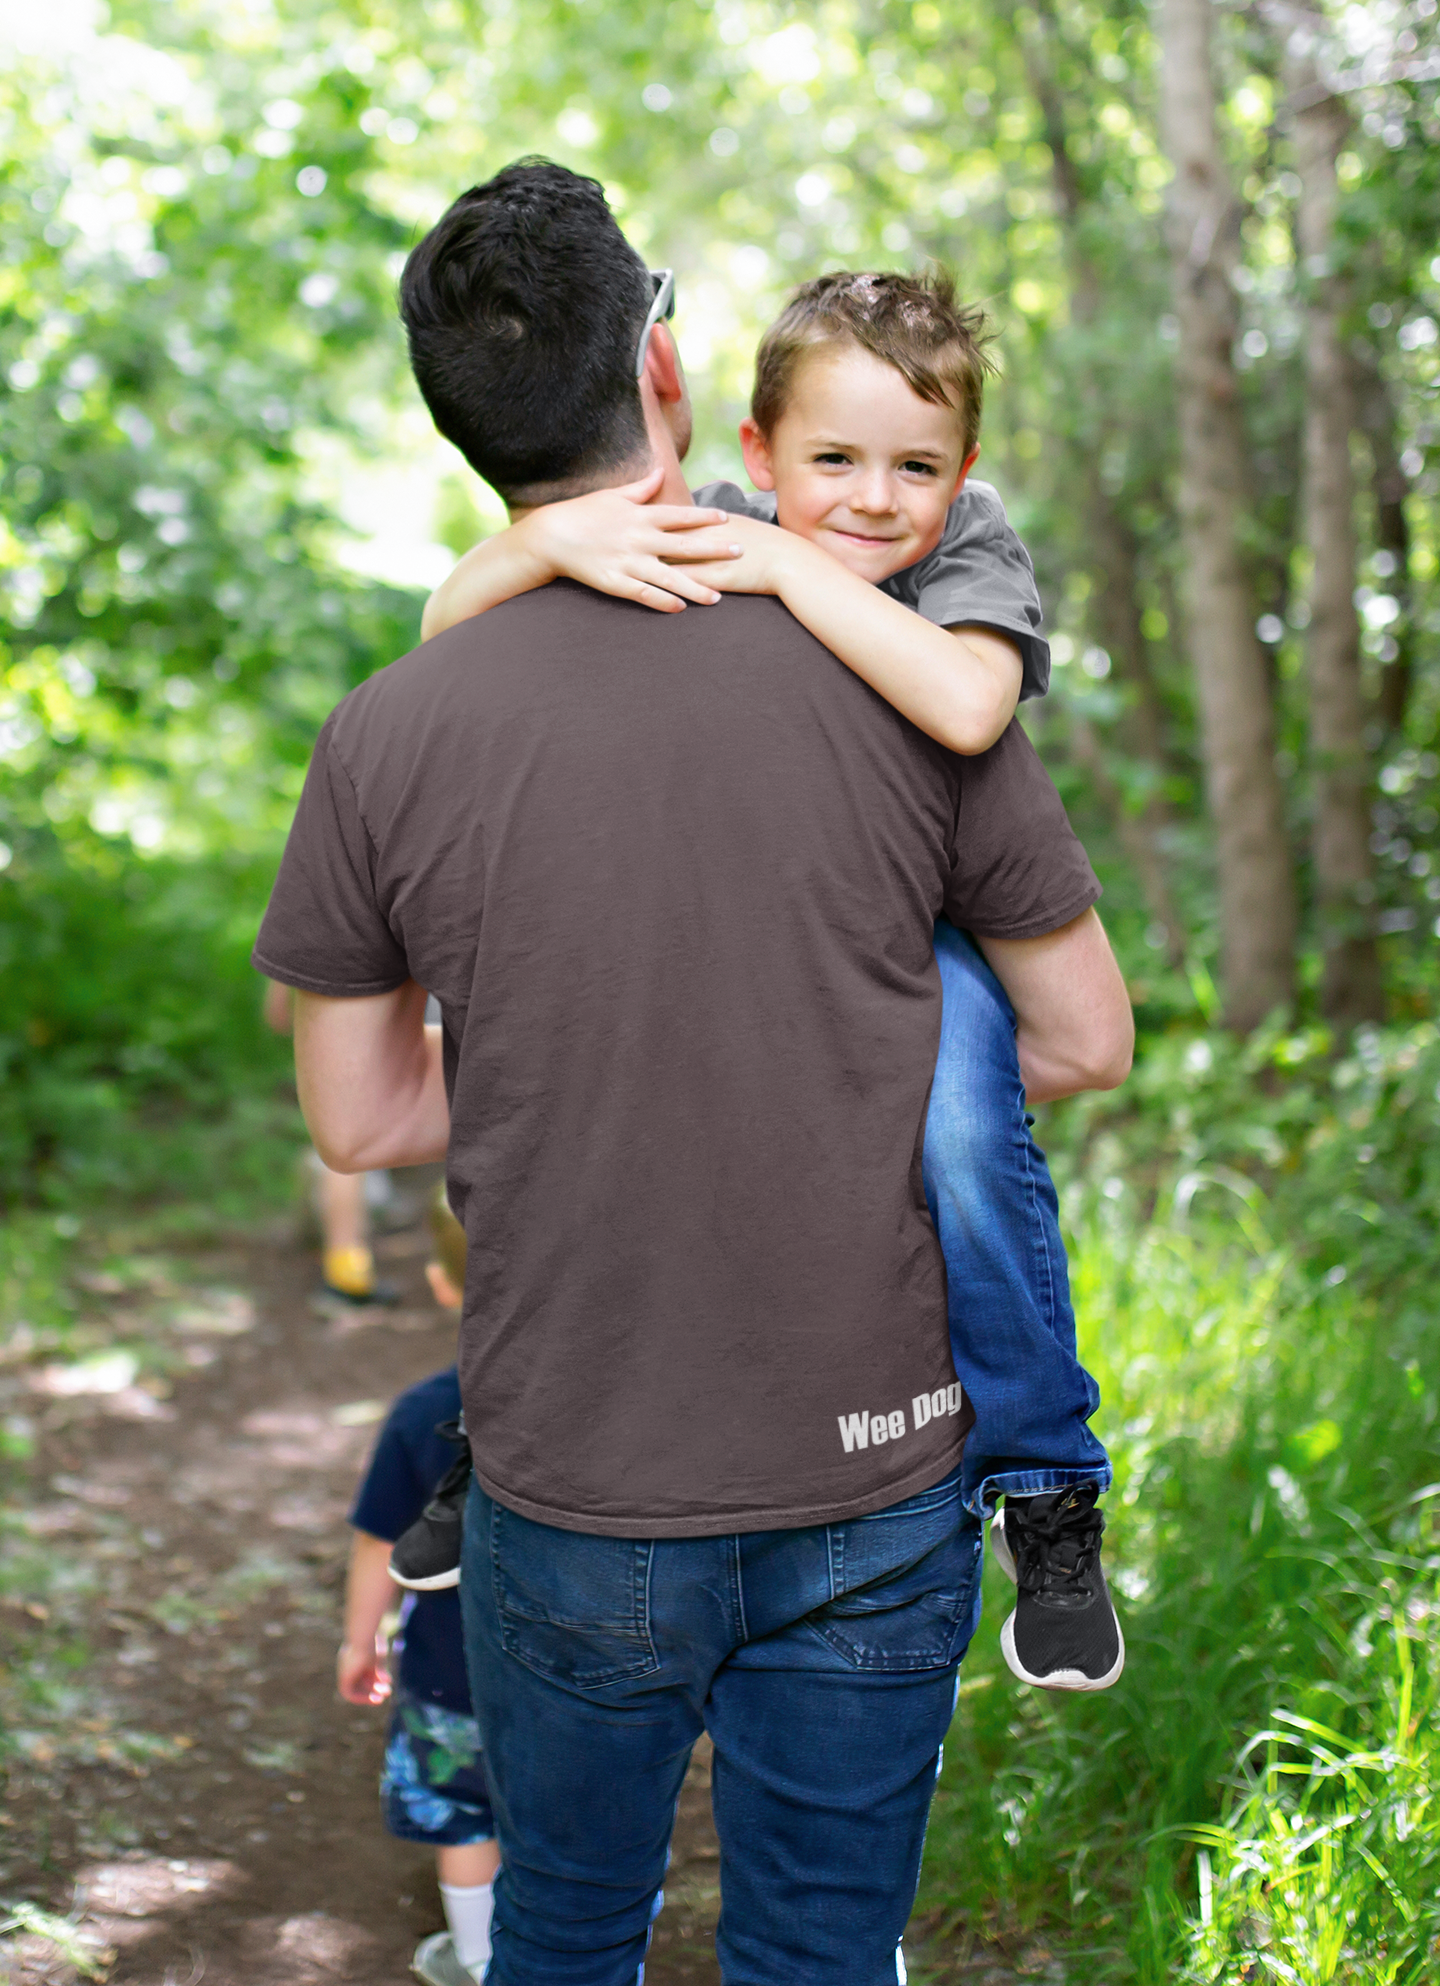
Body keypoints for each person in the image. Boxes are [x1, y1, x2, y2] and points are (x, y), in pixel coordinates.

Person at [253, 158, 1133, 1985]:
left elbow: (362, 1115)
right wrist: (823, 1089)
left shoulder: (392, 729)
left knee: (563, 1929)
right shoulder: (901, 681)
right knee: (826, 1946)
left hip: (574, 1482)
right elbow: (1081, 1040)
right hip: (877, 1473)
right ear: (673, 373)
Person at [399, 267, 1119, 1695]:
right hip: (736, 928)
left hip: (919, 939)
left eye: (914, 464)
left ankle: (1046, 1485)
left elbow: (971, 706)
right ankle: (492, 1439)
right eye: (832, 462)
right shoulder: (709, 530)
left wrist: (791, 571)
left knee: (971, 1138)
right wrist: (559, 547)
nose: (871, 497)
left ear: (964, 473)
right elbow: (444, 632)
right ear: (755, 455)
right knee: (586, 1106)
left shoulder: (958, 551)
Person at [337, 1188, 498, 1986]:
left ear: (441, 1282)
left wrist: (358, 1641)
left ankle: (476, 1959)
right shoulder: (595, 1411)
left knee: (465, 1822)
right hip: (576, 1671)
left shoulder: (421, 1413)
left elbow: (377, 1545)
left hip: (448, 1672)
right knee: (572, 1822)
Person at [261, 978, 398, 1308]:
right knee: (346, 1156)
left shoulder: (296, 925)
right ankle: (345, 1274)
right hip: (356, 1035)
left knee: (339, 1151)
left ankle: (343, 1266)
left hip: (327, 1040)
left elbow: (276, 1013)